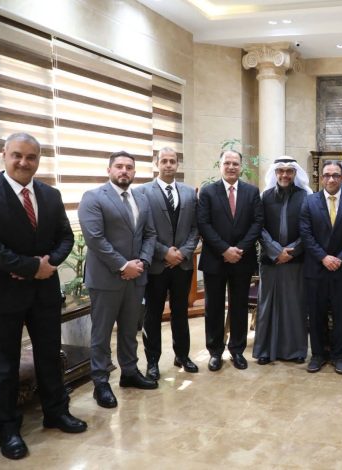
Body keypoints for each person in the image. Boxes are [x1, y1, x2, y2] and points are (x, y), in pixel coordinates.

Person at [0, 133, 86, 460]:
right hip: (3, 294)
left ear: (38, 160)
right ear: (4, 154)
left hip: (44, 292)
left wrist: (48, 265)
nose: (24, 162)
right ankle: (7, 428)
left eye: (31, 157)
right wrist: (32, 267)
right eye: (17, 155)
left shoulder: (50, 194)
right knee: (3, 364)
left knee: (49, 355)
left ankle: (56, 412)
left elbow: (65, 237)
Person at [79, 151, 158, 409]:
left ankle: (130, 372)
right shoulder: (93, 197)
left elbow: (150, 234)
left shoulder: (141, 198)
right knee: (101, 334)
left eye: (129, 167)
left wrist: (142, 262)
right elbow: (95, 239)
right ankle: (101, 382)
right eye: (119, 166)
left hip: (136, 278)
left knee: (129, 330)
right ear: (109, 170)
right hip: (106, 279)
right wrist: (124, 265)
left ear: (134, 172)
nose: (124, 171)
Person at [134, 147, 200, 380]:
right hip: (156, 265)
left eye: (172, 161)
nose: (169, 165)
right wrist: (164, 252)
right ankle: (152, 362)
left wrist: (182, 253)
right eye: (164, 161)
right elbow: (141, 230)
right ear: (156, 163)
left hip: (182, 265)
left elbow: (195, 228)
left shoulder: (189, 192)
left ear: (177, 164)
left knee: (180, 312)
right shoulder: (141, 192)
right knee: (152, 315)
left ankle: (182, 355)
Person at [197, 149, 263, 371]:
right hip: (215, 260)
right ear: (220, 166)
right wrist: (225, 250)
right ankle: (215, 352)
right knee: (214, 307)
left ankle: (237, 350)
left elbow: (257, 223)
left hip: (242, 260)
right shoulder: (208, 192)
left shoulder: (252, 192)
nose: (232, 167)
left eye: (235, 163)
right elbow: (203, 224)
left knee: (239, 306)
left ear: (241, 167)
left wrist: (240, 249)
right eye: (227, 163)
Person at [299, 161, 342, 374]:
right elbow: (305, 234)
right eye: (327, 175)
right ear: (321, 178)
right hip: (316, 268)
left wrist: (339, 258)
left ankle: (339, 356)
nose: (331, 179)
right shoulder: (309, 202)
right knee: (316, 314)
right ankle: (318, 354)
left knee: (341, 314)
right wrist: (324, 257)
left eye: (335, 175)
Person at [254, 158, 312, 364]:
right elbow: (259, 227)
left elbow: (309, 229)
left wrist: (291, 252)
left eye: (289, 171)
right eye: (280, 171)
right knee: (267, 306)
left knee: (294, 306)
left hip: (296, 261)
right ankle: (264, 351)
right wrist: (275, 251)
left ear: (295, 174)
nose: (285, 175)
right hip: (270, 261)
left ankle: (295, 351)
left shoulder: (305, 196)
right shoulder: (265, 196)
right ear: (275, 173)